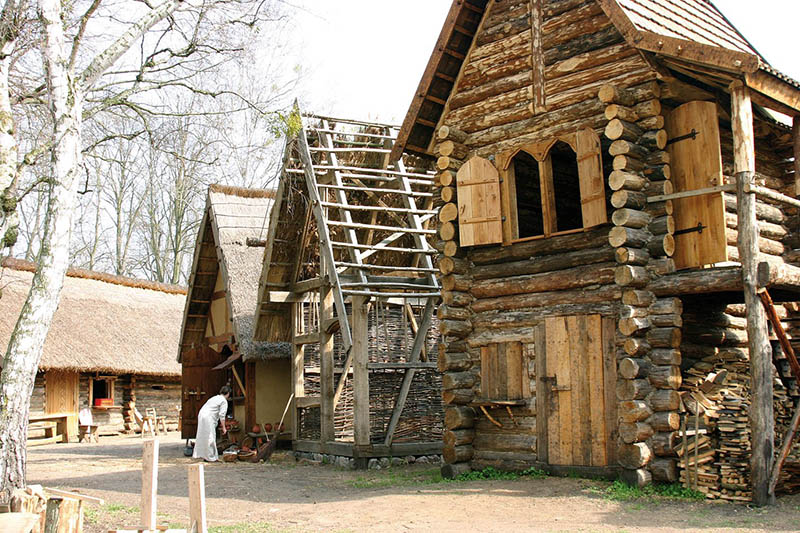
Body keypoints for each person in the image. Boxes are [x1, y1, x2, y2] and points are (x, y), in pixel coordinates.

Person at [193, 385, 231, 462]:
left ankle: (205, 455)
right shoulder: (223, 401)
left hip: (202, 414)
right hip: (208, 417)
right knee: (210, 436)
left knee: (203, 436)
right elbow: (222, 415)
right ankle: (210, 457)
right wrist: (224, 427)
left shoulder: (215, 397)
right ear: (228, 393)